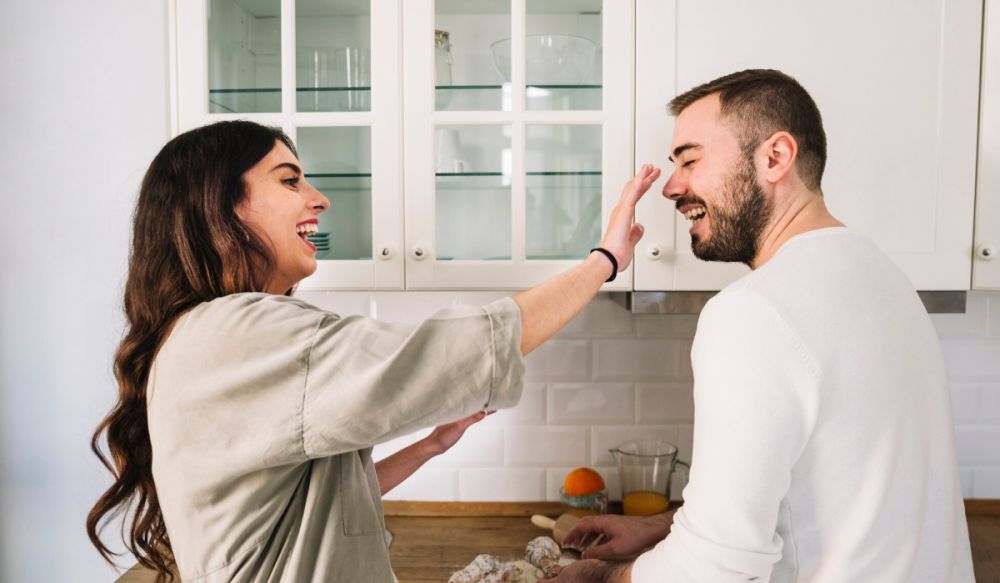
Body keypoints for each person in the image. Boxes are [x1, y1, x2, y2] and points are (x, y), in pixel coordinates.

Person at [85, 120, 661, 582]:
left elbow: (305, 510)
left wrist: (430, 447)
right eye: (289, 181)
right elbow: (454, 350)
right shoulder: (243, 333)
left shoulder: (207, 335)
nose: (319, 199)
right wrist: (602, 263)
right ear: (221, 206)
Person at [548, 69, 974, 582]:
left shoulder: (753, 311)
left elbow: (714, 567)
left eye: (690, 159)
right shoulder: (883, 276)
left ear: (775, 158)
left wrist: (599, 578)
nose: (673, 187)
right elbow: (828, 485)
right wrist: (668, 525)